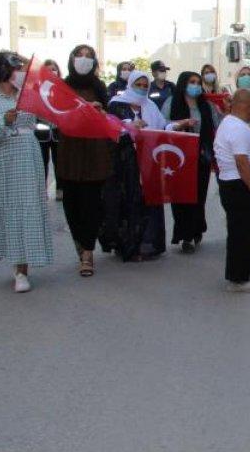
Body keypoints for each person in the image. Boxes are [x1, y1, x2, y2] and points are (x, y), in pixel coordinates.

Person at [0, 52, 55, 293]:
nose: (20, 72)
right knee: (6, 208)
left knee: (27, 209)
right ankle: (8, 256)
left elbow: (52, 115)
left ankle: (22, 270)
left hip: (28, 157)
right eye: (16, 68)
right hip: (1, 160)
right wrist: (4, 121)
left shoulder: (28, 96)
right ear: (2, 72)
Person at [104, 70, 173, 262]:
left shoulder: (150, 106)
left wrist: (176, 126)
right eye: (138, 85)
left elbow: (162, 128)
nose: (142, 89)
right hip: (125, 163)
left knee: (148, 202)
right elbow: (112, 129)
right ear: (130, 84)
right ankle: (127, 246)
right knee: (128, 202)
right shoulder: (117, 104)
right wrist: (131, 126)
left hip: (148, 161)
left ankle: (148, 244)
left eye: (145, 86)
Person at [56, 44, 112, 277]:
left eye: (89, 56)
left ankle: (88, 252)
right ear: (71, 59)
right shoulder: (62, 87)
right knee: (72, 205)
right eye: (79, 55)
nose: (84, 59)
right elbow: (55, 114)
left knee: (92, 204)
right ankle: (80, 242)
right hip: (70, 153)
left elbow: (110, 119)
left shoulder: (99, 88)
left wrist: (99, 112)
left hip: (94, 153)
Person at [213, 89, 250, 293]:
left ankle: (241, 272)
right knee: (242, 234)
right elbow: (241, 161)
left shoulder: (231, 124)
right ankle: (238, 280)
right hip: (242, 186)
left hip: (237, 185)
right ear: (246, 106)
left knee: (242, 232)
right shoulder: (237, 128)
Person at [162, 71, 216, 253]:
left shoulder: (206, 105)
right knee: (181, 195)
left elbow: (217, 124)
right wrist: (181, 124)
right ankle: (184, 234)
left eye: (198, 82)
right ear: (183, 84)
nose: (196, 86)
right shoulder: (172, 102)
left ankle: (195, 230)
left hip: (201, 156)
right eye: (192, 82)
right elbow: (163, 124)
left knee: (198, 195)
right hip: (179, 157)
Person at [36, 59, 62, 197]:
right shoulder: (37, 88)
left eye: (54, 69)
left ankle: (60, 189)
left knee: (59, 162)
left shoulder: (63, 88)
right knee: (41, 162)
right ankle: (42, 190)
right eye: (48, 69)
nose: (52, 72)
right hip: (41, 131)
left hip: (58, 131)